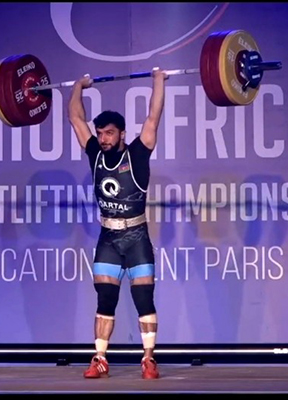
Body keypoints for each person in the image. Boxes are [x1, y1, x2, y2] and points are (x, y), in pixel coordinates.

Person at [68, 68, 168, 379]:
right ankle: (100, 358)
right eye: (100, 133)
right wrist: (78, 86)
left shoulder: (138, 154)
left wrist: (158, 81)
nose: (103, 138)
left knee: (144, 300)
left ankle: (148, 359)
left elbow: (153, 117)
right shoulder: (95, 154)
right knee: (105, 300)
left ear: (122, 134)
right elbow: (75, 118)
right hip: (108, 238)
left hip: (137, 237)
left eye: (109, 133)